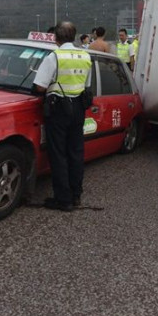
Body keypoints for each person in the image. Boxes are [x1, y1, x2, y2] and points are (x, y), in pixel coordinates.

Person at [33, 21, 92, 212]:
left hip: (59, 109)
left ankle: (63, 199)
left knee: (58, 154)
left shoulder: (54, 57)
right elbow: (86, 84)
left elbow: (40, 87)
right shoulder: (85, 56)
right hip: (78, 108)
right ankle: (76, 195)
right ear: (74, 36)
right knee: (76, 152)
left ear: (55, 38)